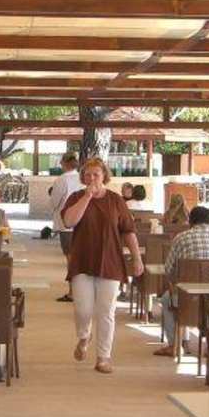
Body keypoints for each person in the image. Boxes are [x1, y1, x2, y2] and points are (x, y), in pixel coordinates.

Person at [61, 157, 143, 374]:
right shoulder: (76, 197)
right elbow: (69, 221)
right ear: (82, 177)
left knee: (106, 311)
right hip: (82, 261)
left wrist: (137, 258)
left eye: (96, 174)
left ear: (104, 176)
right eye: (87, 175)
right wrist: (87, 197)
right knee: (83, 309)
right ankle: (84, 336)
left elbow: (128, 231)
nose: (92, 178)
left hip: (110, 261)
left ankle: (103, 357)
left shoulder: (116, 201)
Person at [154, 206, 209, 356]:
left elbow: (168, 269)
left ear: (190, 221)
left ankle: (175, 345)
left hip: (187, 298)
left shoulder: (181, 237)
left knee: (166, 299)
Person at [49, 154, 82, 301]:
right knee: (80, 258)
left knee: (71, 260)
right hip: (82, 223)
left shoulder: (62, 180)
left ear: (64, 163)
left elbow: (54, 202)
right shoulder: (82, 178)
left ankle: (73, 292)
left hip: (67, 224)